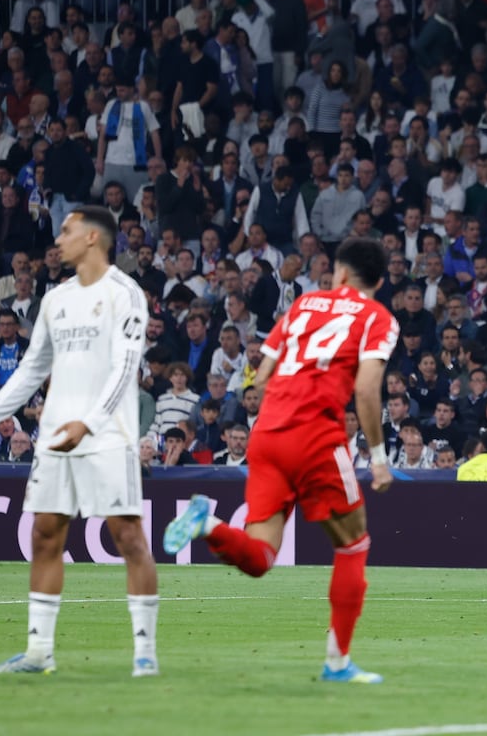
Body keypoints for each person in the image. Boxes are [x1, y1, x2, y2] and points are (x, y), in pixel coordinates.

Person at [164, 238, 399, 684]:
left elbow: (263, 372)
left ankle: (208, 525)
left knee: (260, 557)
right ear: (380, 282)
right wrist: (380, 457)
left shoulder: (306, 303)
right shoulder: (378, 317)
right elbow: (367, 391)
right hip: (316, 435)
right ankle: (337, 664)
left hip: (267, 433)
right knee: (352, 545)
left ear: (340, 274)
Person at [0, 207, 157, 676]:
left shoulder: (125, 293)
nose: (57, 240)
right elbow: (31, 370)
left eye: (65, 231)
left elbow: (127, 368)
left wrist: (91, 421)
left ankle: (145, 652)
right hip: (57, 436)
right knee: (45, 534)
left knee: (127, 537)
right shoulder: (56, 299)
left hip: (107, 436)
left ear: (91, 238)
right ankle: (39, 652)